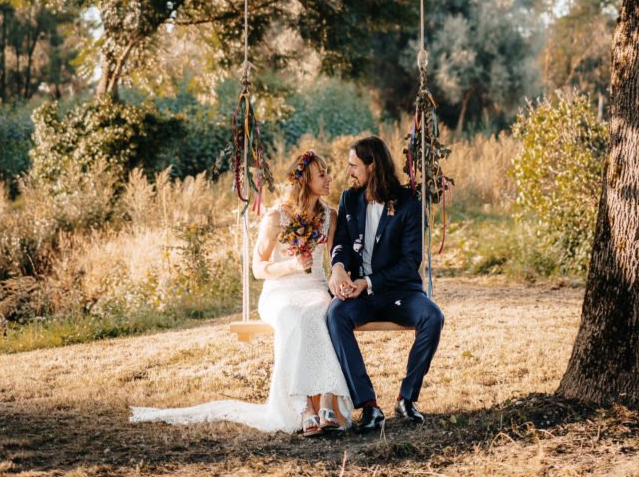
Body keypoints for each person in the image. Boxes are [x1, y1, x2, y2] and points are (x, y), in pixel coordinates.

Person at [130, 150, 352, 435]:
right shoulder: (276, 217)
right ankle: (303, 406)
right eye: (322, 174)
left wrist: (339, 275)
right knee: (294, 317)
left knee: (322, 313)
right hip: (281, 290)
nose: (329, 178)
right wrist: (291, 265)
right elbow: (258, 268)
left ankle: (327, 402)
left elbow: (335, 256)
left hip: (314, 288)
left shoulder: (329, 216)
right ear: (304, 181)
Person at [327, 135, 444, 432]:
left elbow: (410, 261)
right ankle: (368, 405)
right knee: (336, 314)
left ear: (372, 165)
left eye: (354, 165)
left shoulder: (408, 202)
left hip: (399, 291)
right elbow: (341, 243)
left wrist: (367, 281)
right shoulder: (349, 199)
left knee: (433, 317)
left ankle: (407, 398)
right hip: (361, 295)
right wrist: (338, 268)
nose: (349, 171)